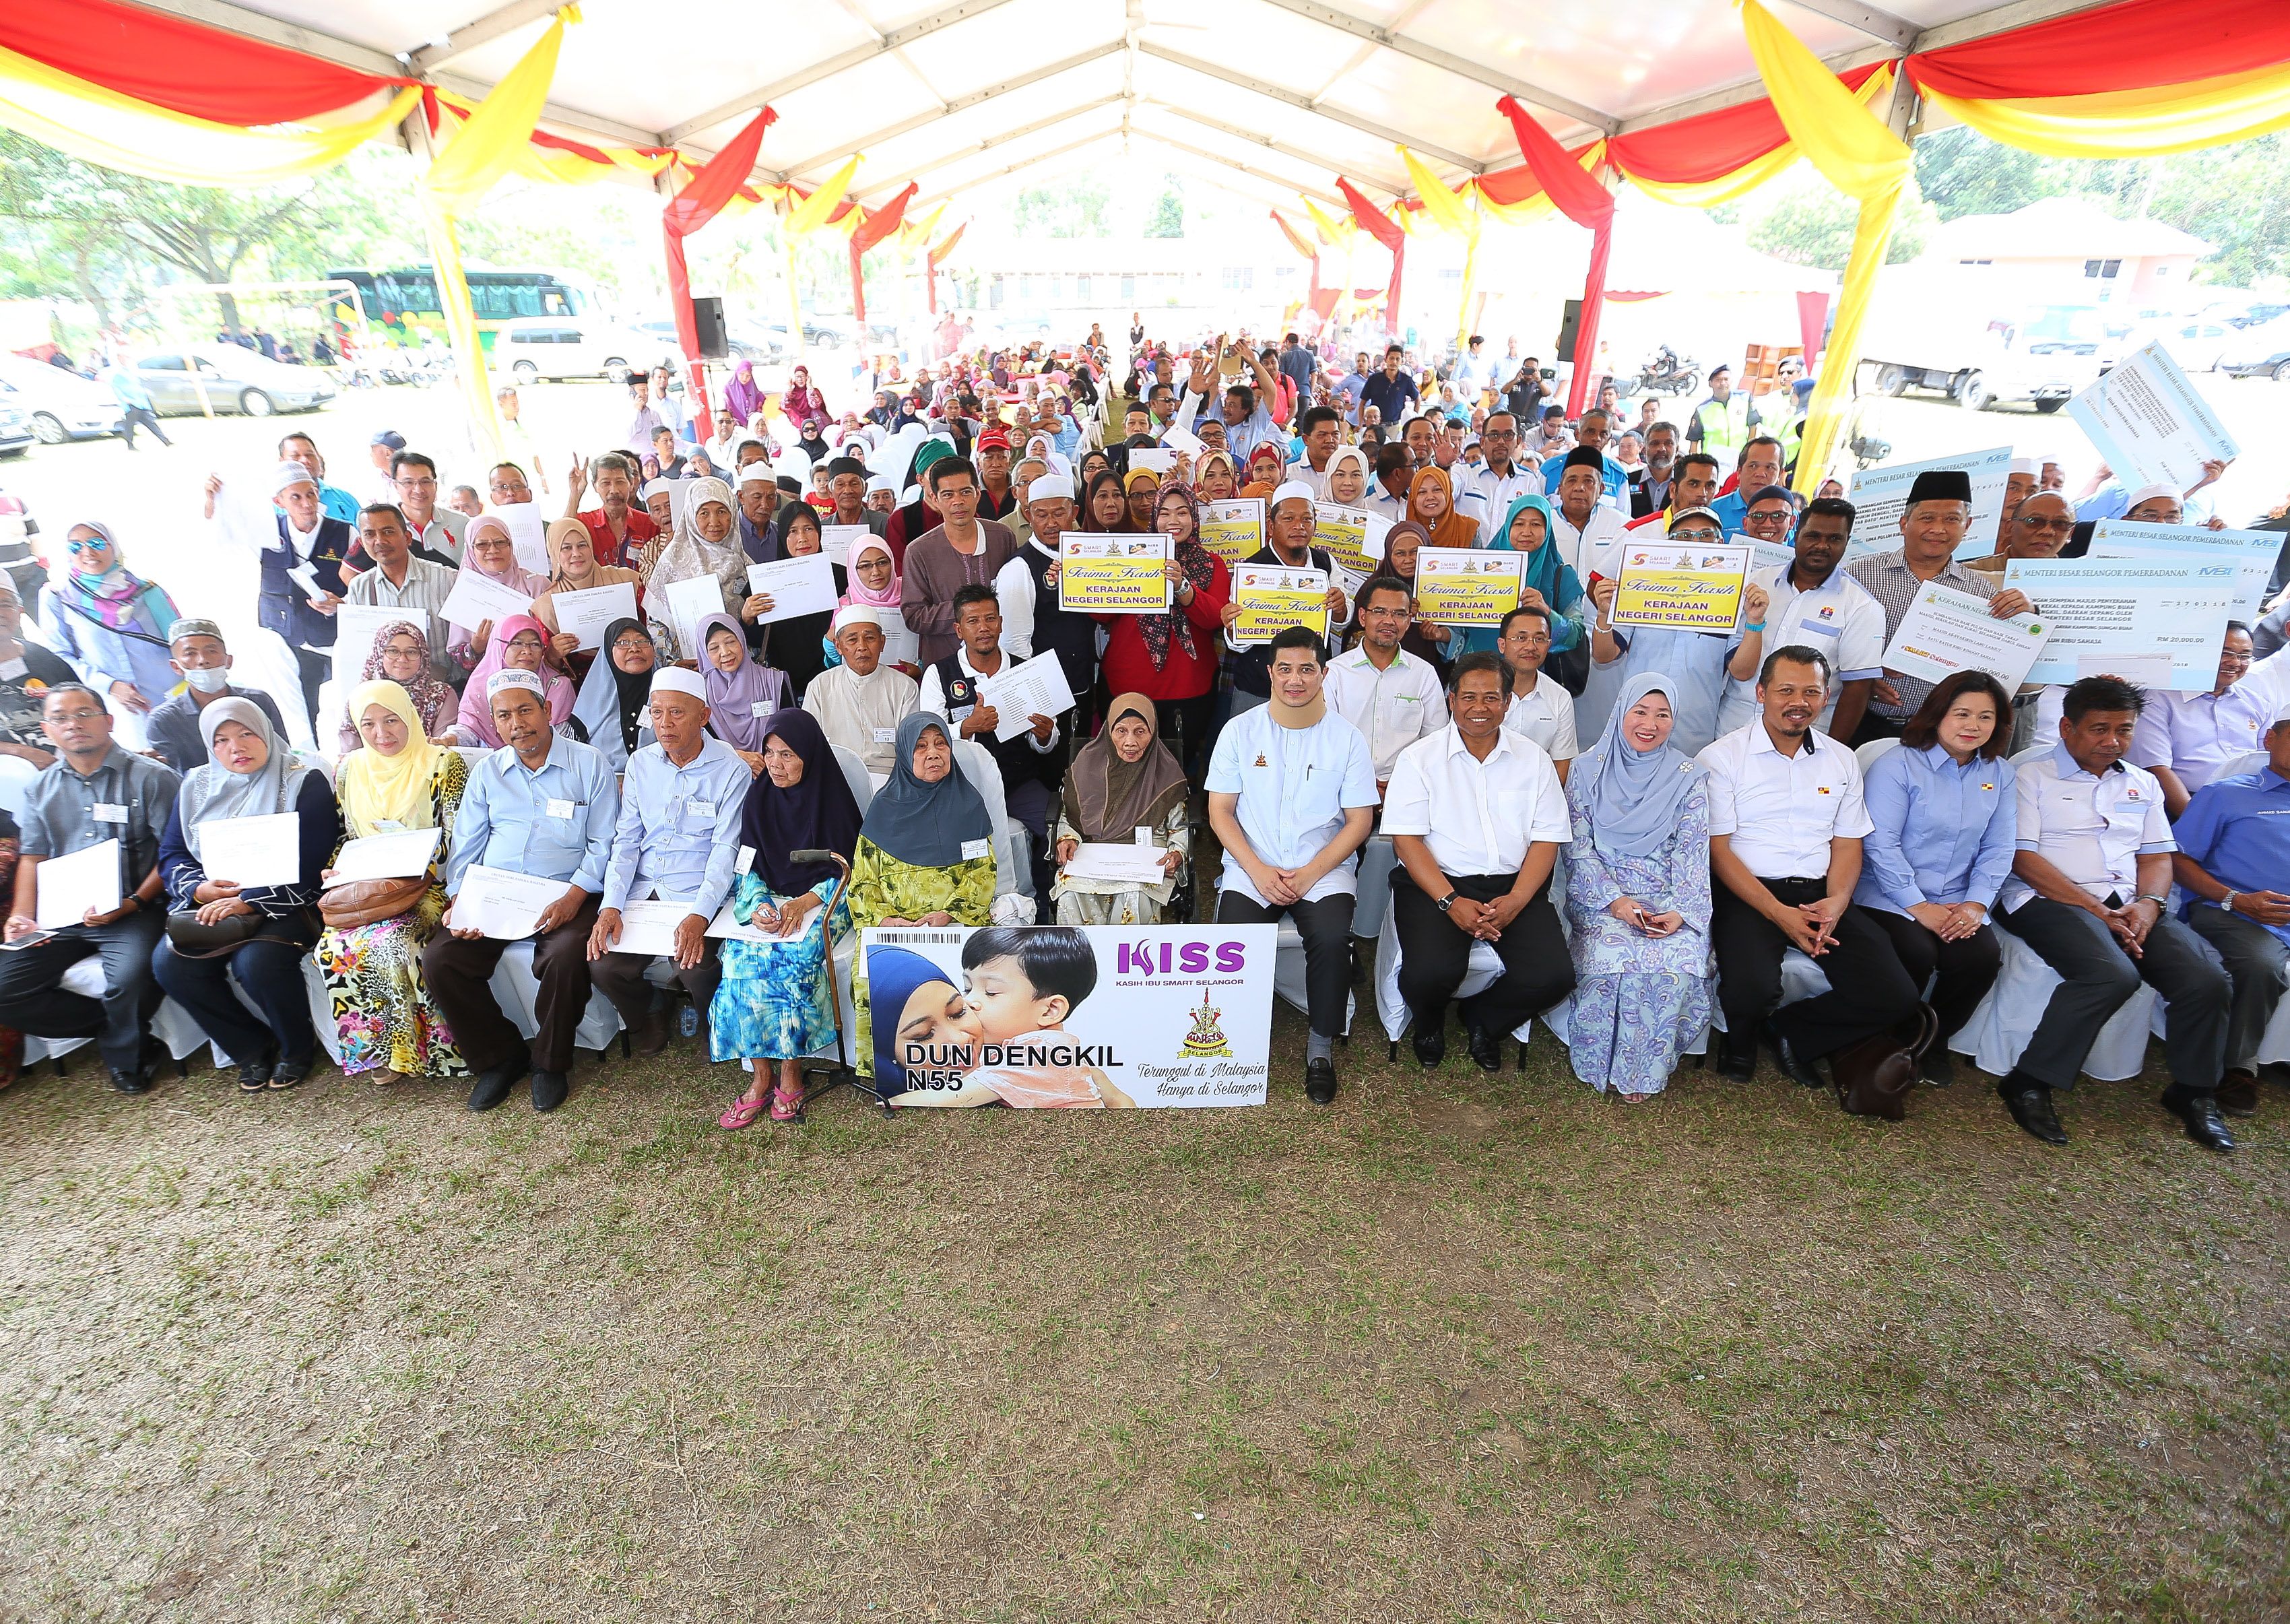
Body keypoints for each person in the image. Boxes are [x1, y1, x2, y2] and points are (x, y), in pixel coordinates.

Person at [1992, 676, 2235, 1151]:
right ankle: (2027, 1080)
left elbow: (2157, 857)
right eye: (2099, 729)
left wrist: (2150, 905)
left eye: (2124, 730)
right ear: (2066, 727)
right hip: (2046, 899)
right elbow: (2022, 859)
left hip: (2129, 903)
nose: (2113, 741)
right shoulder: (2029, 776)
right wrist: (2096, 910)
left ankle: (2193, 1091)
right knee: (2110, 974)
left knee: (2207, 978)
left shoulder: (2142, 782)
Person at [1697, 647, 1922, 1086]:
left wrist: (1836, 903)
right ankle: (1739, 1041)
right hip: (1747, 889)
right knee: (1751, 987)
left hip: (1821, 891)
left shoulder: (1841, 759)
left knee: (1897, 995)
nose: (1797, 701)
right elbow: (1719, 850)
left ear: (1826, 696)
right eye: (1785, 690)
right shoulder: (1721, 758)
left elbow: (1847, 842)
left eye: (1811, 691)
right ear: (1761, 693)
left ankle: (1792, 1032)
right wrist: (1779, 914)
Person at [426, 671, 620, 1115]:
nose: (517, 723)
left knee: (566, 954)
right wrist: (462, 899)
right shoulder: (489, 773)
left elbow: (605, 844)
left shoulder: (589, 764)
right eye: (505, 715)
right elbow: (467, 846)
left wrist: (574, 896)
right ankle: (499, 1058)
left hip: (569, 890)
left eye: (526, 710)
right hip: (498, 892)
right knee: (442, 959)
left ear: (548, 711)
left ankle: (550, 1063)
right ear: (495, 724)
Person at [1206, 626, 1378, 1103]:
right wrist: (1259, 872)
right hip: (1251, 866)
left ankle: (1320, 1047)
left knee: (1328, 937)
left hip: (1322, 869)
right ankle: (1233, 1041)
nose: (1295, 679)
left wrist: (1309, 874)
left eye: (1306, 669)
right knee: (1231, 945)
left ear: (1323, 673)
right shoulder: (1240, 731)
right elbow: (1219, 812)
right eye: (1285, 669)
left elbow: (1359, 820)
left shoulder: (1345, 739)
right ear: (1270, 673)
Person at [1384, 652, 1574, 1070]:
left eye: (1492, 697)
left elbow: (1546, 841)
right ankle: (1429, 1023)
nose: (1480, 708)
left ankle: (1483, 1020)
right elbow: (1407, 842)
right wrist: (1451, 902)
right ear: (1452, 700)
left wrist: (1518, 900)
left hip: (1513, 886)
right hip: (1436, 883)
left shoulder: (1535, 761)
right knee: (1430, 973)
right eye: (1469, 697)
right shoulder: (1419, 759)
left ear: (1508, 703)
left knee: (1553, 977)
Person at [150, 699, 337, 1091]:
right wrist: (199, 888)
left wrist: (249, 899)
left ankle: (297, 1049)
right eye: (222, 740)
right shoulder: (195, 786)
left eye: (247, 734)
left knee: (258, 963)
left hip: (286, 900)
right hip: (213, 902)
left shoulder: (303, 779)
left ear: (265, 733)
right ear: (209, 745)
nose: (236, 747)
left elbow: (314, 857)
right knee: (171, 965)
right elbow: (172, 853)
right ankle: (250, 1048)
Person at [0, 686, 181, 1091]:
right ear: (47, 730)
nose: (73, 725)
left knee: (131, 976)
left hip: (133, 910)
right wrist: (22, 916)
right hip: (61, 916)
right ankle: (114, 1027)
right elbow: (32, 857)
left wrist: (133, 902)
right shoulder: (40, 788)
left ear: (109, 720)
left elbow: (172, 852)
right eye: (61, 718)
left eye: (84, 714)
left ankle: (128, 1058)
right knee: (4, 989)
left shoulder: (153, 778)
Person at [1855, 672, 2018, 1084]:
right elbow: (1879, 844)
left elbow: (1999, 847)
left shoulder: (1998, 772)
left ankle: (1934, 1041)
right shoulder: (1898, 764)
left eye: (1986, 717)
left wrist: (1976, 903)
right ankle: (1887, 1039)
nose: (1972, 726)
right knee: (1916, 950)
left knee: (1979, 957)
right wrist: (1918, 906)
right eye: (1962, 713)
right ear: (1938, 713)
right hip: (1888, 895)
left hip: (1957, 898)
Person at [1561, 676, 1712, 1101]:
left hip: (1667, 895)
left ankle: (1642, 1073)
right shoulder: (1587, 769)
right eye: (1640, 712)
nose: (1650, 724)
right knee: (1614, 955)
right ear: (1621, 713)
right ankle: (1599, 1062)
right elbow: (1577, 847)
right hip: (1603, 896)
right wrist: (1616, 902)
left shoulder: (1689, 777)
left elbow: (1693, 853)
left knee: (1676, 957)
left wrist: (1681, 912)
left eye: (1663, 715)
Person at [713, 709, 863, 1128]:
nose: (776, 765)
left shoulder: (831, 800)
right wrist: (760, 903)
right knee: (738, 960)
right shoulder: (760, 797)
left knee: (793, 961)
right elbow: (749, 867)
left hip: (823, 901)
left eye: (788, 755)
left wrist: (803, 903)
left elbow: (851, 871)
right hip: (772, 902)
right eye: (770, 753)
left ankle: (793, 1071)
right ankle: (762, 1076)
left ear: (810, 757)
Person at [585, 668, 748, 1053]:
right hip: (644, 890)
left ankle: (714, 1020)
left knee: (697, 968)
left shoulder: (730, 770)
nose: (664, 724)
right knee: (603, 965)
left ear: (704, 716)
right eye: (657, 713)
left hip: (696, 892)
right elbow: (626, 841)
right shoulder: (641, 764)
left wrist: (700, 914)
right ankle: (650, 1011)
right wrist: (611, 905)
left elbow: (726, 850)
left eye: (676, 713)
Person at [316, 680, 469, 1084]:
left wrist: (419, 865)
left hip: (427, 884)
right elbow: (345, 835)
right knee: (332, 947)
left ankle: (426, 1048)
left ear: (411, 718)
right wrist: (335, 868)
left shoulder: (442, 763)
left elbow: (458, 836)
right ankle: (379, 1051)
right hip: (366, 886)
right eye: (368, 724)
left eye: (391, 720)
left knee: (393, 943)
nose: (381, 734)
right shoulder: (349, 769)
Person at [847, 713, 999, 1090]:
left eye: (940, 744)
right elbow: (863, 883)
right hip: (894, 928)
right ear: (904, 755)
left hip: (953, 925)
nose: (933, 754)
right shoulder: (883, 809)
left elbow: (983, 875)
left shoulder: (968, 806)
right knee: (869, 977)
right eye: (921, 747)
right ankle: (886, 1072)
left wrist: (949, 913)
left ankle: (970, 1069)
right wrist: (885, 921)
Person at [1846, 469, 2034, 744]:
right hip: (1862, 720)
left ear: (1967, 526)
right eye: (1927, 518)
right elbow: (1830, 641)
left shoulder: (1980, 592)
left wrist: (2028, 616)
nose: (1938, 529)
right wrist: (1863, 678)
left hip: (1941, 736)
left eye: (1952, 520)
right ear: (1903, 523)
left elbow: (1992, 666)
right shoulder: (1860, 574)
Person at [2171, 709, 2290, 1119]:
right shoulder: (2226, 793)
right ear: (2269, 740)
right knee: (2261, 964)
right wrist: (2234, 899)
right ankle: (2238, 1068)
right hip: (2232, 911)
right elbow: (2178, 859)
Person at [1718, 496, 1883, 740]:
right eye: (1813, 536)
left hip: (1801, 738)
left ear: (1847, 542)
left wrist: (1832, 752)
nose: (1822, 546)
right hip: (1731, 727)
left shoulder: (1861, 607)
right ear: (1797, 533)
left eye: (1834, 539)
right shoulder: (1757, 581)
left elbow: (1857, 689)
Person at [919, 585, 1061, 862]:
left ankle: (1045, 900)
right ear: (959, 630)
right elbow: (928, 737)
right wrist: (968, 727)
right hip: (961, 785)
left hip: (1018, 781)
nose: (983, 628)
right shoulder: (940, 673)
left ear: (1001, 623)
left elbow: (1047, 742)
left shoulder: (1025, 669)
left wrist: (1044, 736)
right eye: (973, 621)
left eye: (990, 619)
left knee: (1059, 830)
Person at [1050, 693, 1189, 925]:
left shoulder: (1166, 774)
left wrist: (1177, 853)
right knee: (1071, 889)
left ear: (1153, 733)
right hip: (1092, 851)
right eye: (1121, 731)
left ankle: (1126, 959)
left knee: (1134, 894)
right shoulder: (1086, 765)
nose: (1130, 742)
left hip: (1146, 857)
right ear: (1109, 731)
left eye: (1140, 731)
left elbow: (1180, 826)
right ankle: (1081, 956)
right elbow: (1068, 817)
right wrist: (1066, 839)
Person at [2128, 626, 2290, 817]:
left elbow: (2272, 759)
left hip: (2254, 802)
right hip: (2189, 803)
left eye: (2244, 656)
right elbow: (2156, 768)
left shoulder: (2255, 702)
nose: (2234, 663)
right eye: (2225, 653)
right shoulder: (2159, 699)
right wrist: (2197, 820)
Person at [1221, 483, 1349, 713]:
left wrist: (1340, 607)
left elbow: (1342, 618)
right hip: (1258, 688)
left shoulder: (1326, 564)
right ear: (1271, 525)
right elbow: (1240, 642)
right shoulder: (1251, 569)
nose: (1299, 526)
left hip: (1311, 687)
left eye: (1307, 519)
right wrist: (1233, 627)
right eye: (1288, 519)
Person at [44, 519, 181, 717]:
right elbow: (60, 655)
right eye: (76, 547)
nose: (88, 553)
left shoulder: (147, 591)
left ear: (113, 546)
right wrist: (110, 686)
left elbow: (182, 642)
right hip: (118, 706)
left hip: (172, 693)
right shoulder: (59, 598)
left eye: (96, 544)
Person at [900, 455, 1021, 669]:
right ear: (934, 499)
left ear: (978, 494)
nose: (958, 501)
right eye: (948, 495)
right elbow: (914, 616)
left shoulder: (1001, 537)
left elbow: (1015, 593)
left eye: (966, 492)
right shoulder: (919, 551)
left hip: (1001, 664)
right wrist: (966, 613)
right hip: (947, 665)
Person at [1326, 574, 1444, 790]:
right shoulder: (1334, 672)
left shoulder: (1424, 674)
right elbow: (1326, 740)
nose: (1389, 621)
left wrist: (1400, 786)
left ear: (1408, 622)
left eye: (1399, 614)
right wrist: (1362, 785)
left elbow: (1435, 743)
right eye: (1379, 612)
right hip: (1344, 787)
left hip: (1407, 788)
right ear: (1362, 617)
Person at [258, 460, 353, 723]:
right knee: (301, 708)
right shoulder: (266, 534)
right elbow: (225, 540)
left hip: (335, 637)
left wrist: (342, 603)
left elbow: (364, 587)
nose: (306, 503)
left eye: (311, 494)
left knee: (349, 703)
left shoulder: (344, 532)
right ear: (279, 502)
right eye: (296, 497)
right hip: (289, 636)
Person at [143, 618, 288, 774]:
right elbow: (174, 777)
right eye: (190, 654)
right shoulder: (164, 720)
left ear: (229, 660)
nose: (203, 660)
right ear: (176, 667)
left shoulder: (257, 701)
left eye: (211, 651)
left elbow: (282, 755)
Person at [344, 505, 458, 683]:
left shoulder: (447, 579)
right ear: (361, 542)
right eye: (369, 534)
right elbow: (359, 650)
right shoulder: (360, 587)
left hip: (443, 690)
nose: (379, 541)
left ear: (407, 537)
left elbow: (464, 646)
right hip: (387, 694)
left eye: (388, 532)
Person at [643, 477, 749, 661]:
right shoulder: (672, 562)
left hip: (735, 666)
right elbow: (656, 622)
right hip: (686, 668)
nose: (714, 521)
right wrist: (674, 662)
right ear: (691, 516)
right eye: (704, 513)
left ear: (732, 513)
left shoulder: (745, 566)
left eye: (722, 511)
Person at [806, 608, 919, 778]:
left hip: (891, 778)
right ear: (839, 646)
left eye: (870, 638)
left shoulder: (905, 686)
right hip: (837, 777)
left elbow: (911, 745)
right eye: (852, 640)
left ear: (882, 643)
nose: (862, 647)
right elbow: (809, 744)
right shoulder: (820, 686)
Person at [529, 517, 645, 670]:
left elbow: (654, 626)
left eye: (582, 545)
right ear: (555, 553)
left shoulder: (627, 580)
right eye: (566, 548)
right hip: (582, 686)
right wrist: (553, 654)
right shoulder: (545, 607)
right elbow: (545, 669)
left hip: (638, 671)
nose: (576, 553)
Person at [445, 515, 548, 675]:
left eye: (500, 542)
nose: (493, 550)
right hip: (486, 683)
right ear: (471, 550)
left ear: (510, 545)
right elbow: (456, 657)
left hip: (539, 676)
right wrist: (475, 647)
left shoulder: (537, 584)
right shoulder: (465, 592)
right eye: (482, 545)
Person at [456, 614, 576, 750]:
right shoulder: (480, 684)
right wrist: (450, 739)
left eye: (535, 644)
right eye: (517, 643)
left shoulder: (557, 685)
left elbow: (563, 742)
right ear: (499, 645)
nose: (527, 651)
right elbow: (468, 729)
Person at [337, 620, 456, 756]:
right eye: (393, 651)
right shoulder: (362, 695)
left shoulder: (441, 695)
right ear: (379, 654)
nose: (402, 659)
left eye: (411, 652)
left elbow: (441, 750)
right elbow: (350, 755)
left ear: (423, 655)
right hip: (369, 773)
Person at [756, 502, 837, 697]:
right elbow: (756, 640)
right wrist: (748, 617)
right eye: (793, 531)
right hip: (783, 689)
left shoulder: (840, 576)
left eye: (808, 529)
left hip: (833, 685)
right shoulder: (766, 581)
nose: (802, 538)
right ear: (783, 536)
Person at [693, 612, 788, 773]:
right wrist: (735, 756)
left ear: (742, 641)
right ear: (704, 653)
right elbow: (698, 745)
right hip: (724, 778)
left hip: (776, 774)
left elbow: (790, 732)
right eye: (714, 648)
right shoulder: (699, 694)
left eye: (730, 642)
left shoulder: (773, 681)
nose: (725, 652)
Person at [568, 618, 661, 774]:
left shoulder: (669, 695)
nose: (634, 648)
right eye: (623, 642)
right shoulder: (592, 702)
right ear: (608, 652)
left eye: (643, 641)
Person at [1495, 604, 1578, 775]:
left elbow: (1562, 763)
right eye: (1520, 638)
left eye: (1539, 639)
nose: (1531, 647)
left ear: (1549, 645)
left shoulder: (1559, 697)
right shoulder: (1480, 691)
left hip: (1537, 793)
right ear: (1502, 645)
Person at [0, 579, 75, 767]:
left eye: (5, 605)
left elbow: (85, 708)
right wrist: (21, 752)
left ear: (20, 610)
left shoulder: (40, 656)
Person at [565, 452, 658, 570]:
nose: (614, 490)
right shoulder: (585, 522)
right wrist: (575, 493)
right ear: (595, 487)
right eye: (606, 483)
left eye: (620, 482)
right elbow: (562, 538)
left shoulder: (649, 524)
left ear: (631, 484)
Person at [390, 451, 467, 566]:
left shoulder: (462, 523)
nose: (418, 490)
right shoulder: (384, 528)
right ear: (395, 486)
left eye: (425, 482)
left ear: (435, 484)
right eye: (409, 483)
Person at [1707, 438, 1783, 535]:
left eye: (1770, 468)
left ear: (1780, 474)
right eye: (1753, 466)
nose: (1760, 474)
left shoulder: (1790, 516)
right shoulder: (1712, 511)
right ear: (1739, 471)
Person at [1685, 362, 1757, 461]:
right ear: (1711, 383)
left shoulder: (1744, 399)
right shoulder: (1702, 409)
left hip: (1739, 458)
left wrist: (1750, 451)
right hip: (1712, 462)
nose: (1723, 383)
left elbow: (1753, 426)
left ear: (1731, 381)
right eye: (1718, 380)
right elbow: (1694, 441)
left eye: (1726, 379)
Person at [104, 356, 172, 449]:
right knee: (130, 426)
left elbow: (138, 387)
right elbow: (116, 387)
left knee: (151, 423)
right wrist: (124, 398)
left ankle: (166, 441)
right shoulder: (120, 375)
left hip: (141, 404)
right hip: (131, 404)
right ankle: (130, 445)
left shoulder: (133, 373)